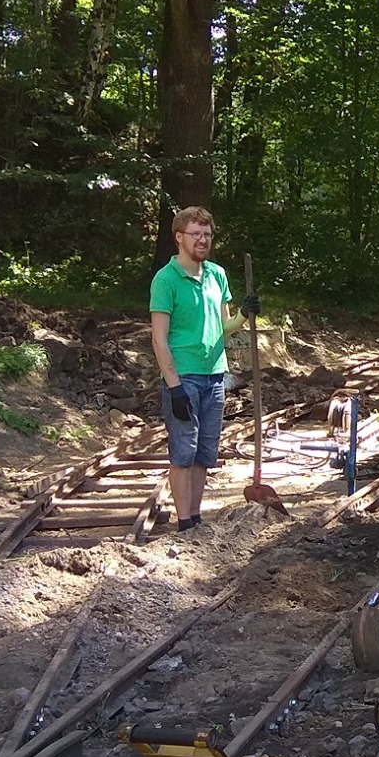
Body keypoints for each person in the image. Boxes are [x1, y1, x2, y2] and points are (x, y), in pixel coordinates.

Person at [149, 206, 246, 534]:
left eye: (207, 235)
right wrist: (173, 386)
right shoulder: (165, 280)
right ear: (179, 238)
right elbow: (159, 339)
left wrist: (245, 314)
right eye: (196, 234)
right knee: (183, 451)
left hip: (215, 374)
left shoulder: (217, 275)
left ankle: (196, 517)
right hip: (184, 376)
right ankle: (184, 522)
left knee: (206, 451)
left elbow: (225, 326)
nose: (203, 240)